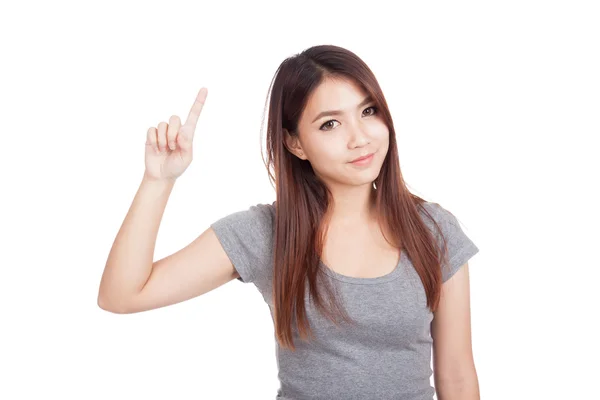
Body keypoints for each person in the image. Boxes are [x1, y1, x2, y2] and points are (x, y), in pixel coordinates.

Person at [98, 44, 481, 400]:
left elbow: (457, 374)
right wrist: (158, 181)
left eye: (368, 112)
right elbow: (122, 295)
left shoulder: (434, 230)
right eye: (330, 124)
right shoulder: (267, 233)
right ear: (295, 143)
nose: (360, 138)